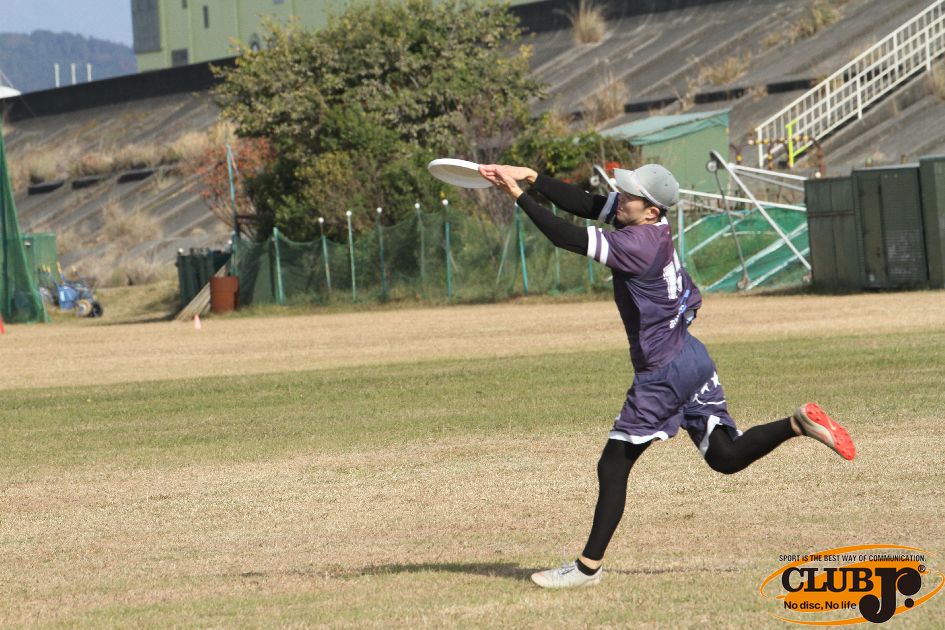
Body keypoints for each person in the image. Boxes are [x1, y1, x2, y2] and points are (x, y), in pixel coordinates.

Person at [477, 163, 856, 589]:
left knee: (613, 464)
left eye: (628, 196)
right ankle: (797, 424)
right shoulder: (651, 227)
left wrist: (518, 195)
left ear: (651, 210)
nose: (620, 199)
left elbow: (565, 236)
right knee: (725, 457)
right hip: (692, 356)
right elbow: (585, 203)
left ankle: (586, 568)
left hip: (664, 372)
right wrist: (532, 177)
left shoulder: (636, 243)